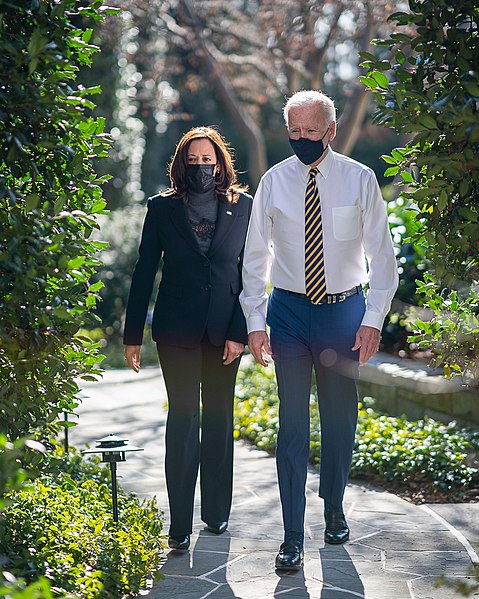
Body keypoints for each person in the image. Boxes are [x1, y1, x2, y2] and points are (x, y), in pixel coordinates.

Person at [240, 90, 398, 571]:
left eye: (311, 131)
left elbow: (383, 258)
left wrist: (372, 320)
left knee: (338, 420)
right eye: (294, 131)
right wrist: (255, 322)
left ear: (330, 130)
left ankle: (333, 506)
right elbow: (254, 258)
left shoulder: (359, 179)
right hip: (288, 312)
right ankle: (291, 536)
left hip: (343, 314)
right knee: (291, 424)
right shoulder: (274, 181)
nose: (302, 139)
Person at [123, 126, 252, 552]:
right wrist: (133, 334)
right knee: (183, 419)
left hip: (224, 334)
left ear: (220, 162)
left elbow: (251, 273)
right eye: (193, 160)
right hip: (175, 331)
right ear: (182, 163)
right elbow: (145, 269)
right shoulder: (161, 208)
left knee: (218, 419)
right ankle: (178, 523)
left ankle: (216, 513)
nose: (201, 166)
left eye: (207, 159)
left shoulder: (244, 206)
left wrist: (241, 332)